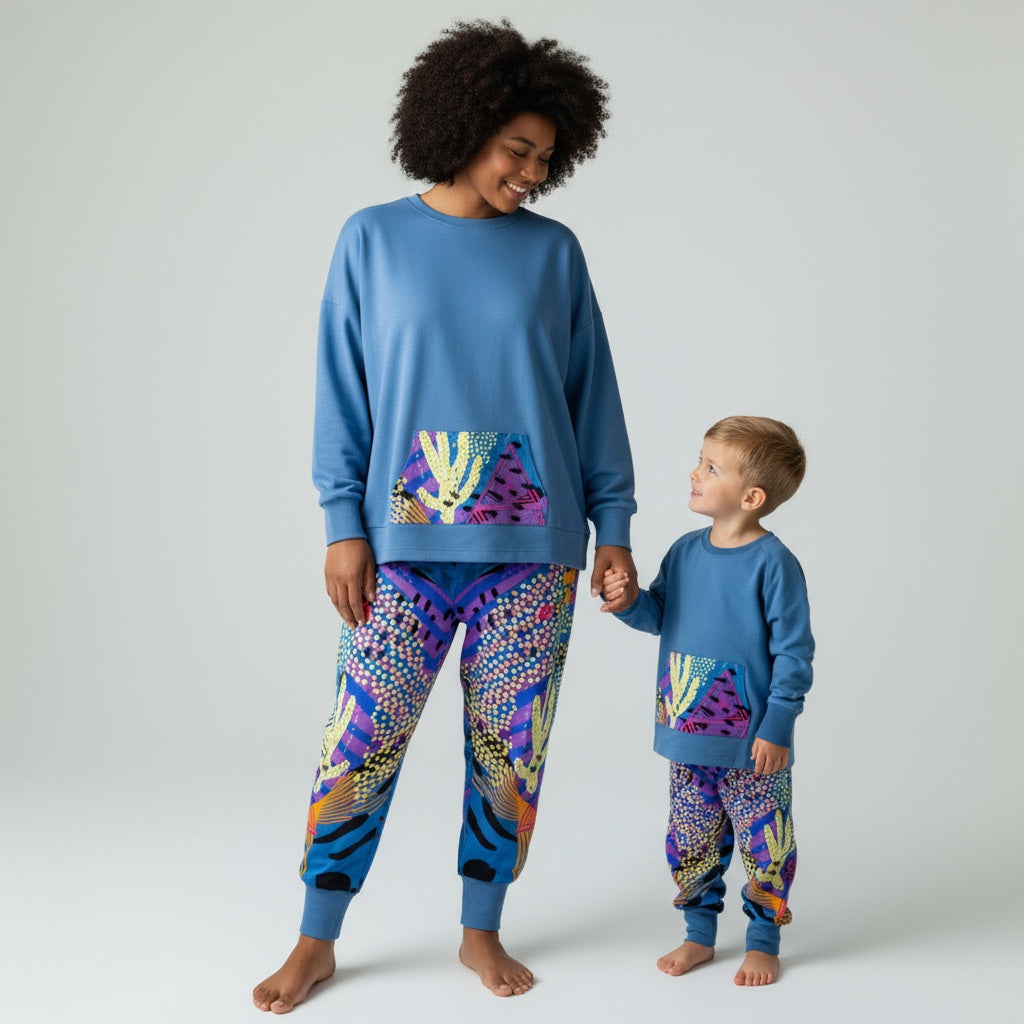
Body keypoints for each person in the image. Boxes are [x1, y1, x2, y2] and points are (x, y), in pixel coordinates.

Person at [253, 19, 636, 1013]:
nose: (531, 172)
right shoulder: (372, 238)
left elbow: (593, 398)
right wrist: (343, 521)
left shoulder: (553, 252)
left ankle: (480, 930)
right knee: (358, 746)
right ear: (462, 126)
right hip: (402, 552)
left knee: (511, 755)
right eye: (518, 148)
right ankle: (316, 939)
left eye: (547, 159)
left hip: (534, 555)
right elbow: (344, 393)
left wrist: (616, 529)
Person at [601, 416, 813, 987]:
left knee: (765, 844)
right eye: (700, 460)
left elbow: (795, 656)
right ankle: (698, 936)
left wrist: (778, 726)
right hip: (687, 735)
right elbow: (659, 616)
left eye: (710, 467)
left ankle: (763, 941)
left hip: (753, 746)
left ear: (751, 496)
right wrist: (628, 602)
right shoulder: (684, 551)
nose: (694, 472)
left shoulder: (774, 564)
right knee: (691, 840)